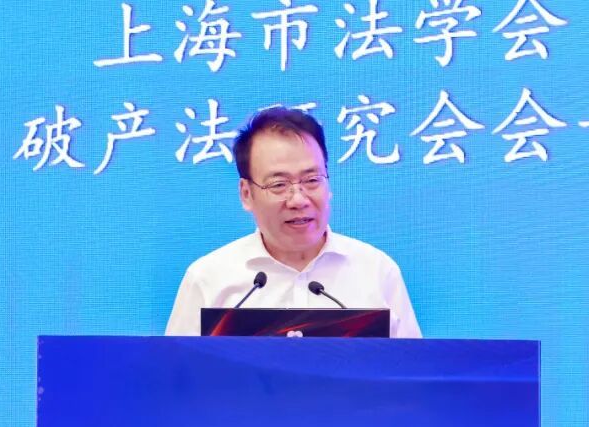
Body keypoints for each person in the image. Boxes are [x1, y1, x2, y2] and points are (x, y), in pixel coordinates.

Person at [164, 107, 422, 338]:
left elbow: (410, 370)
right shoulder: (209, 279)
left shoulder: (376, 272)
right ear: (246, 194)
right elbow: (176, 372)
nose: (298, 199)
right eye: (279, 184)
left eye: (312, 180)